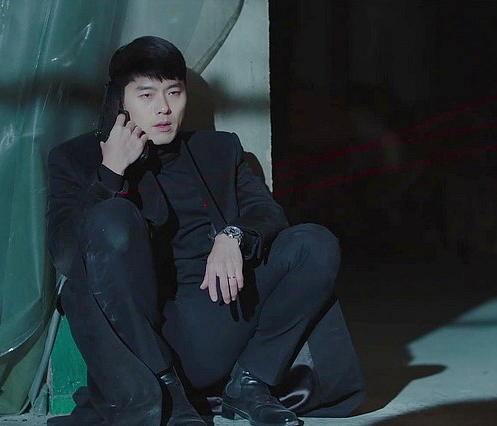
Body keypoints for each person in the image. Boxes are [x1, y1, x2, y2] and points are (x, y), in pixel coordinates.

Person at [46, 36, 364, 426]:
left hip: (227, 314)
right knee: (110, 219)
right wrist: (109, 174)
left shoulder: (219, 150)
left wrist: (233, 235)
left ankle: (250, 383)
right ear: (119, 101)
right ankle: (169, 395)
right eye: (146, 95)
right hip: (151, 337)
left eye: (173, 92)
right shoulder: (76, 159)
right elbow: (67, 256)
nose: (163, 108)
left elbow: (266, 212)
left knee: (315, 243)